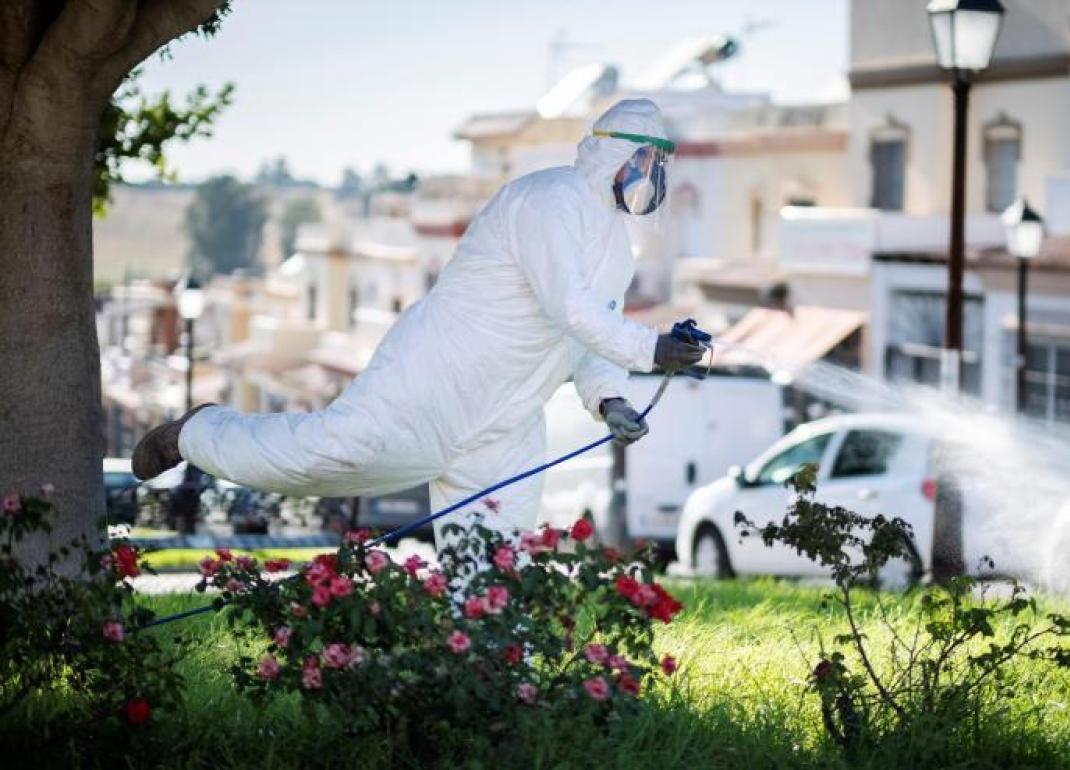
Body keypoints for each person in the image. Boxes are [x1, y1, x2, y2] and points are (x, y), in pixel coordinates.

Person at [132, 98, 704, 550]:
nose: (652, 178)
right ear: (615, 156)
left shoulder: (616, 249)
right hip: (432, 384)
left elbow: (589, 334)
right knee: (322, 459)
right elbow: (568, 306)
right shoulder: (549, 199)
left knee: (495, 565)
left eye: (659, 167)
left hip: (505, 422)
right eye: (646, 162)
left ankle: (492, 679)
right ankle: (197, 432)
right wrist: (653, 349)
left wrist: (610, 402)